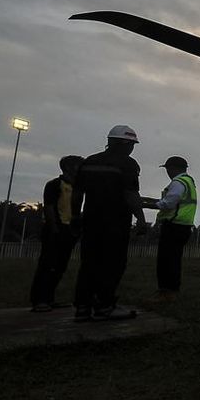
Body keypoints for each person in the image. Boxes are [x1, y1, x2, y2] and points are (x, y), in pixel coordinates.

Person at [71, 125, 149, 321]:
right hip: (115, 223)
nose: (132, 148)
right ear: (124, 143)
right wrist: (140, 218)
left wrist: (75, 217)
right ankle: (105, 305)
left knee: (89, 263)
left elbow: (77, 194)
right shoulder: (128, 164)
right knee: (113, 263)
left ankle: (83, 307)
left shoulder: (89, 162)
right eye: (131, 144)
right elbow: (130, 194)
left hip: (90, 221)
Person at [29, 155, 84, 312]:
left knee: (60, 266)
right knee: (47, 264)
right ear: (68, 167)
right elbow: (49, 208)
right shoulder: (54, 185)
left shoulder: (78, 188)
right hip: (56, 229)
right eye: (78, 166)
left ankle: (49, 299)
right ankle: (39, 300)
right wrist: (54, 228)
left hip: (69, 231)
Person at [141, 155, 197, 303]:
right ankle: (170, 291)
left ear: (173, 168)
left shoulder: (178, 182)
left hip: (174, 225)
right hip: (183, 226)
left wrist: (145, 205)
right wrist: (149, 200)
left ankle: (165, 293)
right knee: (173, 260)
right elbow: (175, 201)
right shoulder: (188, 181)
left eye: (168, 169)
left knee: (166, 261)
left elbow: (169, 203)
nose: (167, 172)